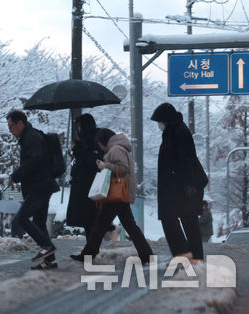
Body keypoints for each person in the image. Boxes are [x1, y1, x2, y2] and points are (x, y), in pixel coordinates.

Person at [70, 129, 153, 264]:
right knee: (123, 224)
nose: (100, 147)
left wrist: (105, 166)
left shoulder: (115, 149)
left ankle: (88, 254)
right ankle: (146, 254)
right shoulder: (119, 148)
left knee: (101, 224)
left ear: (103, 142)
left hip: (117, 192)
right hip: (119, 193)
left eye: (99, 144)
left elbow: (123, 168)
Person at [151, 103, 209, 263]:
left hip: (184, 185)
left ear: (166, 120)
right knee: (185, 219)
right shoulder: (173, 131)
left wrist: (189, 185)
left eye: (160, 121)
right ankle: (191, 255)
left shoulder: (179, 132)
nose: (159, 125)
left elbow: (186, 159)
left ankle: (187, 254)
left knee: (179, 218)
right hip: (178, 185)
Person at [7, 110, 59, 270]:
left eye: (11, 126)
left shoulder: (31, 138)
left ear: (20, 123)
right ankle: (50, 261)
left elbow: (34, 161)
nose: (10, 130)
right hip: (42, 185)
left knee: (22, 218)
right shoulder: (31, 136)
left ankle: (47, 246)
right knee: (39, 222)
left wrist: (16, 175)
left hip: (39, 186)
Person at [65, 114, 102, 241]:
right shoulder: (82, 143)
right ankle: (91, 251)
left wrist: (77, 151)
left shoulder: (95, 140)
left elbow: (93, 161)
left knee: (91, 220)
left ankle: (91, 252)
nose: (77, 130)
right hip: (81, 187)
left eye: (78, 127)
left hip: (90, 187)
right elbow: (78, 163)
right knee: (88, 223)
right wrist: (73, 156)